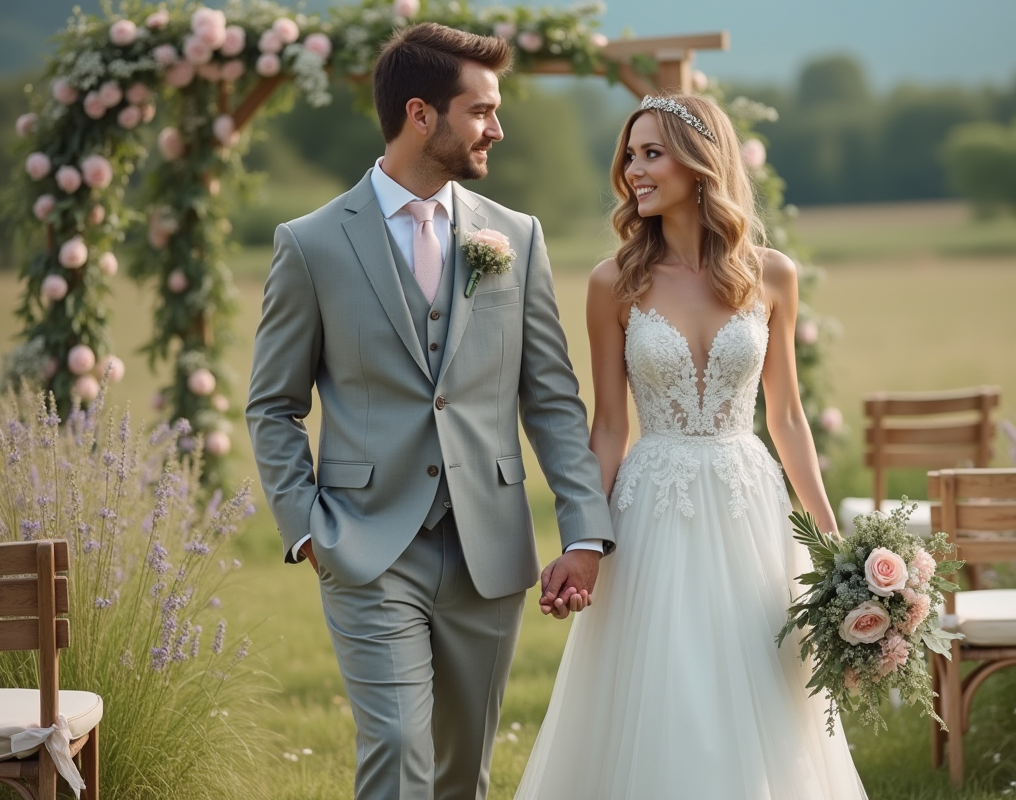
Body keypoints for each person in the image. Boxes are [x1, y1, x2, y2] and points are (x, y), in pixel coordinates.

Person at [245, 23, 614, 800]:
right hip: (367, 540)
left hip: (489, 541)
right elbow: (273, 405)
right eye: (480, 111)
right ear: (421, 114)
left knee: (461, 770)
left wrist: (583, 526)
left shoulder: (515, 237)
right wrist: (306, 526)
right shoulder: (310, 245)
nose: (497, 128)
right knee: (399, 747)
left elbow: (549, 396)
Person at [515, 94, 868, 798]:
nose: (633, 170)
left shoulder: (772, 274)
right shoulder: (613, 282)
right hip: (654, 503)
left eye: (652, 153)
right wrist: (584, 537)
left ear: (702, 162)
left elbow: (789, 417)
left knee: (766, 680)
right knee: (665, 684)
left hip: (750, 500)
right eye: (629, 155)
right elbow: (610, 424)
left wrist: (832, 542)